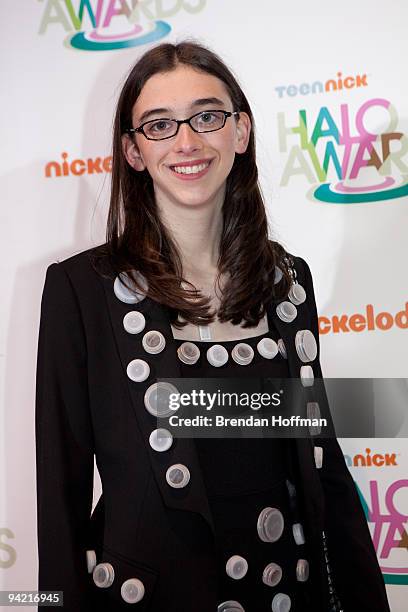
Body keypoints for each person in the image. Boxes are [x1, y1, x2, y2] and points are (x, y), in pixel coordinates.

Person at [35, 41, 391, 612]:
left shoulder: (289, 282)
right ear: (132, 151)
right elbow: (60, 498)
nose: (186, 141)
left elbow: (323, 472)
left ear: (240, 132)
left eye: (207, 116)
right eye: (159, 125)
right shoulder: (80, 291)